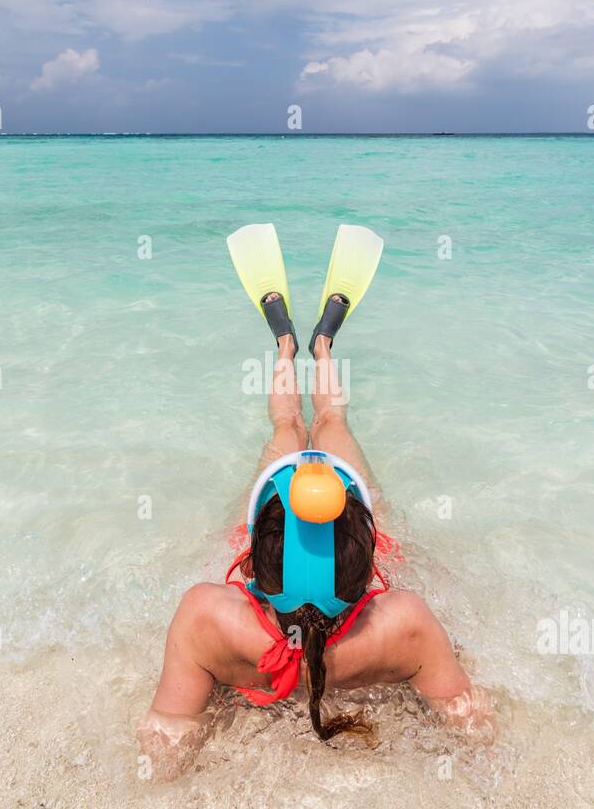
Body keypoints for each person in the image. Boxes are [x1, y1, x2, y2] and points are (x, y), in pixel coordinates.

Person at [138, 225, 490, 779]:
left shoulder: (207, 619)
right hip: (332, 509)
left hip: (297, 520)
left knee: (287, 422)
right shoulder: (404, 626)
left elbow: (165, 737)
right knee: (330, 420)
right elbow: (472, 723)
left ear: (253, 562)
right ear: (368, 563)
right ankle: (324, 342)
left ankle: (285, 343)